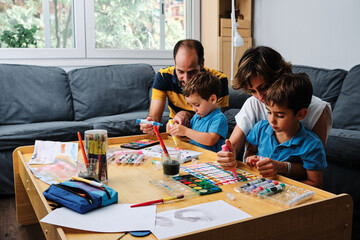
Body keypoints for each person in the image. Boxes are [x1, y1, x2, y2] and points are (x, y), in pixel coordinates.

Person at [217, 46, 332, 179]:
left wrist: (281, 167)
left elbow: (314, 166)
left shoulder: (317, 109)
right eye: (252, 91)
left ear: (281, 75)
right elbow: (233, 145)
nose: (260, 98)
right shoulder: (253, 104)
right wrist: (226, 155)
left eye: (264, 87)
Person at [245, 73, 327, 188]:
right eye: (269, 112)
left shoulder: (311, 145)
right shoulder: (261, 128)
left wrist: (278, 187)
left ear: (301, 114)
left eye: (280, 115)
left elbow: (316, 184)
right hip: (256, 188)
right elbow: (250, 150)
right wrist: (250, 158)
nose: (271, 120)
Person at [140, 39, 229, 134]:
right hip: (175, 131)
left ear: (202, 64)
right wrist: (150, 122)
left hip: (204, 133)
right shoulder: (163, 76)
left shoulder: (218, 79)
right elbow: (155, 116)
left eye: (192, 72)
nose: (186, 79)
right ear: (175, 64)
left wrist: (187, 115)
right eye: (180, 71)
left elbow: (214, 118)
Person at [167, 72, 228, 152]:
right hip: (196, 156)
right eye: (191, 105)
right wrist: (176, 130)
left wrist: (185, 131)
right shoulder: (197, 116)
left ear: (212, 99)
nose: (194, 109)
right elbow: (191, 135)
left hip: (211, 160)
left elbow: (210, 139)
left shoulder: (219, 118)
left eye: (197, 105)